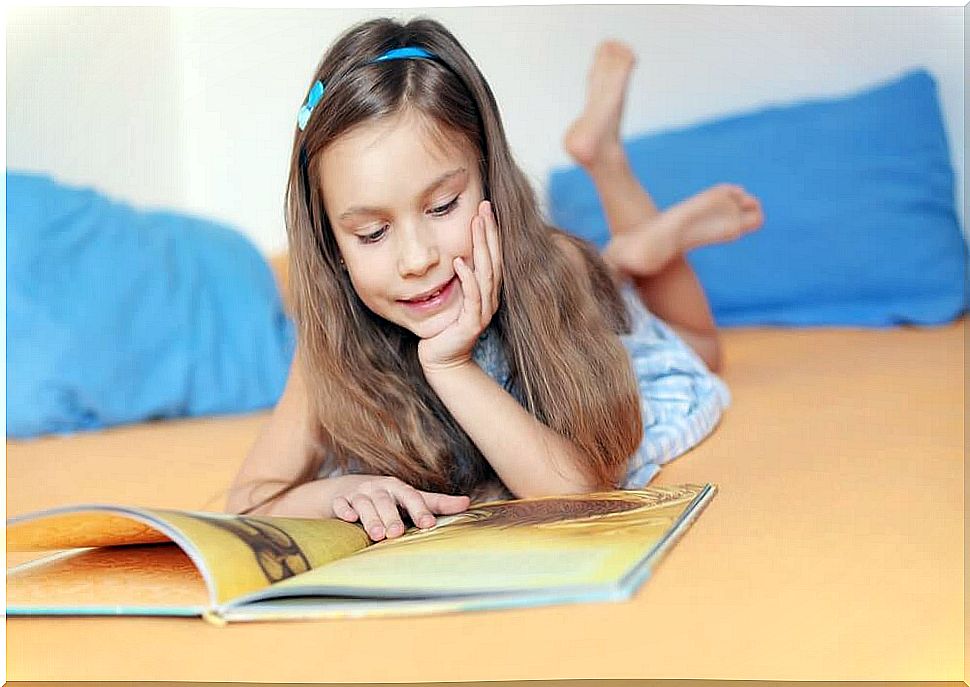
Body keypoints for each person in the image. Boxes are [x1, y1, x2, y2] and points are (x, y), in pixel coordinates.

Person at [225, 18, 763, 542]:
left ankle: (622, 196)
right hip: (575, 282)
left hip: (571, 302)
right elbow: (250, 500)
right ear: (331, 245)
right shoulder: (334, 342)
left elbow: (579, 497)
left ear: (489, 179)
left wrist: (450, 366)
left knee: (701, 348)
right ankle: (619, 260)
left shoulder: (550, 270)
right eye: (370, 233)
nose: (416, 260)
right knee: (606, 276)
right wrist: (340, 493)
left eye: (441, 206)